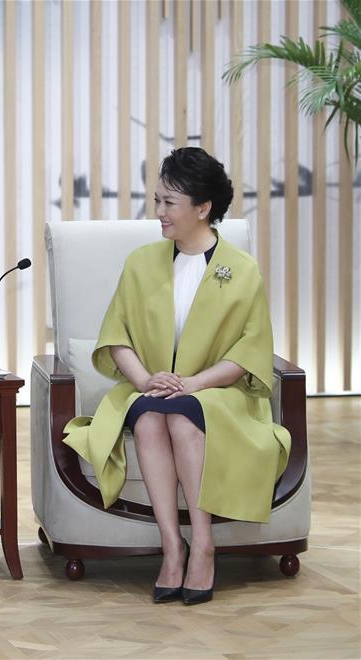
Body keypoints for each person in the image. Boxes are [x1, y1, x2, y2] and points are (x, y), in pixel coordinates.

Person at [63, 147, 290, 605]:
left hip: (220, 392)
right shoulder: (141, 262)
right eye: (157, 200)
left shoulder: (241, 270)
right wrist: (146, 380)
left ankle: (203, 544)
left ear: (202, 208)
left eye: (169, 202)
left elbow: (249, 352)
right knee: (150, 418)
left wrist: (193, 384)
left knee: (182, 418)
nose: (159, 212)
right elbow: (117, 337)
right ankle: (172, 546)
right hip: (149, 387)